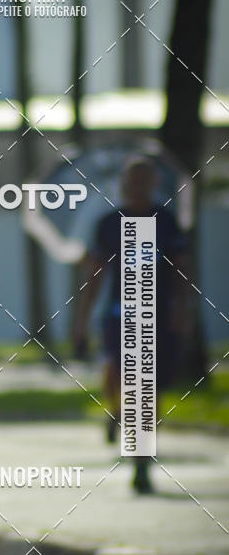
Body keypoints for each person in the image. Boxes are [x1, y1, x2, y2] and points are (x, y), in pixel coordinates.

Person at [73, 156, 189, 493]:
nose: (137, 187)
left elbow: (181, 269)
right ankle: (116, 411)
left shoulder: (166, 222)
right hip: (119, 314)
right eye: (131, 180)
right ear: (123, 185)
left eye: (144, 180)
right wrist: (81, 321)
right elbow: (94, 275)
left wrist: (183, 309)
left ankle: (142, 461)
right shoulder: (110, 223)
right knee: (119, 373)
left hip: (157, 314)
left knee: (148, 389)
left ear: (154, 184)